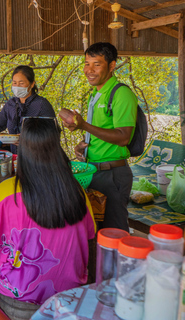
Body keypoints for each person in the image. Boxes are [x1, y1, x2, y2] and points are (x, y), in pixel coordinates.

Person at [0, 118, 96, 320]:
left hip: (18, 299)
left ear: (22, 150)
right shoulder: (77, 191)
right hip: (69, 297)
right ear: (57, 148)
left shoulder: (6, 191)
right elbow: (89, 239)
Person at [61, 42, 137, 231]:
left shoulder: (121, 94)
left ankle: (118, 261)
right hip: (93, 171)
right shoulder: (95, 94)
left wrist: (83, 125)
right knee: (95, 230)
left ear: (111, 66)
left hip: (112, 174)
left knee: (114, 230)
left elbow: (123, 137)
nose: (89, 70)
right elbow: (100, 131)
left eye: (97, 64)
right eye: (87, 63)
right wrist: (84, 146)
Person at [0, 65, 56, 153]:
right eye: (15, 83)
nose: (17, 86)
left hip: (38, 159)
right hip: (16, 158)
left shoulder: (42, 105)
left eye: (21, 83)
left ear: (32, 84)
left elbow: (52, 134)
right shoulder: (10, 105)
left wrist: (29, 138)